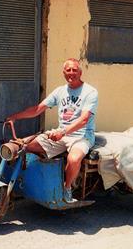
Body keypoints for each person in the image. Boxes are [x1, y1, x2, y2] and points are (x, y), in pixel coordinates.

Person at [6, 58, 98, 203]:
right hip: (61, 133)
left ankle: (67, 188)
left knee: (73, 159)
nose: (71, 73)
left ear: (80, 72)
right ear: (63, 72)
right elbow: (37, 109)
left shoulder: (90, 92)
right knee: (23, 146)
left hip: (82, 136)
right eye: (68, 70)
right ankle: (27, 184)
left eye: (75, 70)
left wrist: (63, 132)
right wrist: (15, 117)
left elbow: (84, 120)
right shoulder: (60, 91)